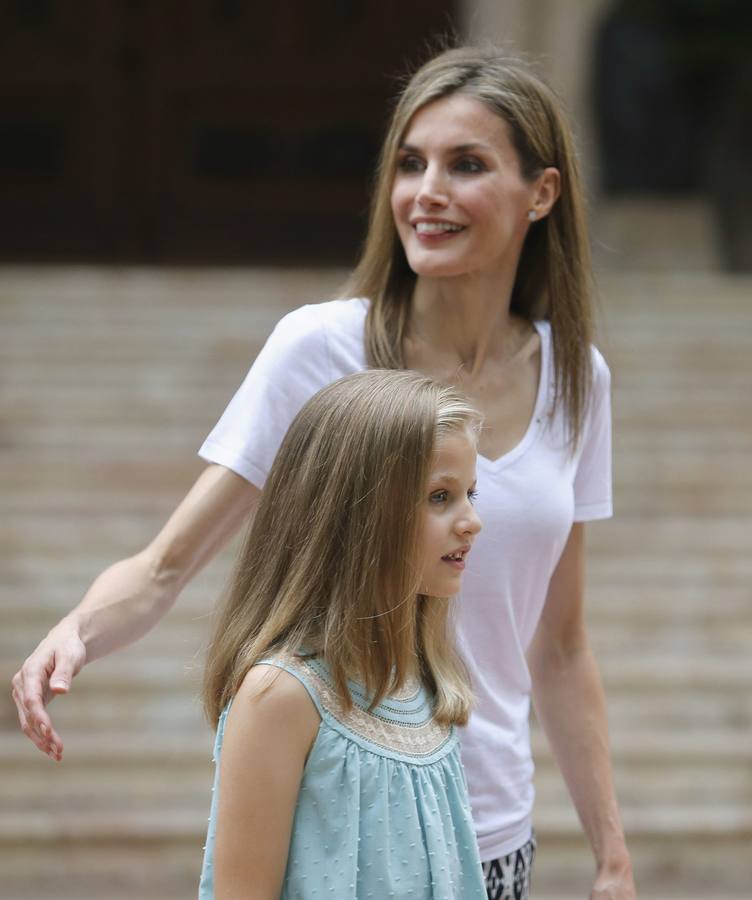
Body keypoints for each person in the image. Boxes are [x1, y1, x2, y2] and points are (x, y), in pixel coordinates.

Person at [12, 46, 636, 900]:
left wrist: (611, 853)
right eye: (410, 164)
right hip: (349, 829)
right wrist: (77, 630)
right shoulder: (321, 349)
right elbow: (167, 565)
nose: (427, 192)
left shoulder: (578, 378)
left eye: (466, 165)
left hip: (490, 832)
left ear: (543, 192)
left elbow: (560, 645)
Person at [197, 369, 486, 898]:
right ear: (358, 514)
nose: (472, 521)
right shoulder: (280, 697)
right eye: (439, 497)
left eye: (470, 493)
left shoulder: (421, 682)